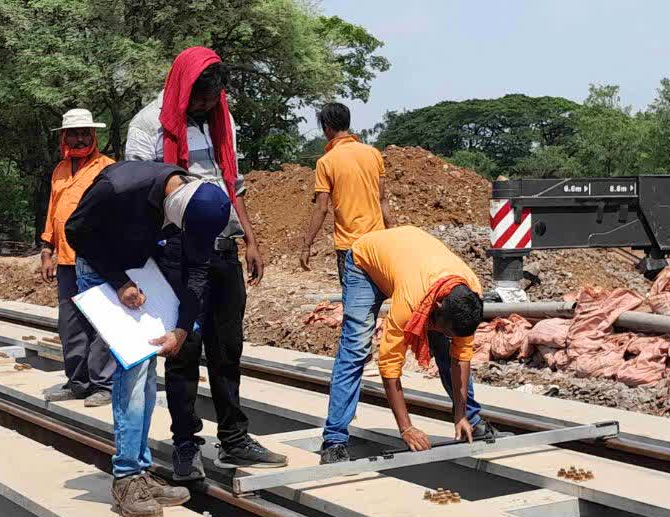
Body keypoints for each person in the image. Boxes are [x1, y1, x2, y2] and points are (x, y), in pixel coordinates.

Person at [125, 46, 285, 478]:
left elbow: (233, 184)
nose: (206, 107)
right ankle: (185, 443)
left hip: (222, 248)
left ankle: (233, 438)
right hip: (175, 252)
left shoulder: (222, 120)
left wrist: (249, 238)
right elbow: (138, 191)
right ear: (183, 88)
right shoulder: (148, 124)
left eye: (213, 99)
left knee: (227, 347)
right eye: (199, 100)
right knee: (184, 350)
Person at [65, 160, 235, 517]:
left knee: (149, 362)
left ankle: (139, 470)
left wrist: (182, 329)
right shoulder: (118, 187)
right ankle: (126, 477)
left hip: (142, 267)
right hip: (100, 266)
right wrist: (119, 282)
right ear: (172, 208)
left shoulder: (197, 209)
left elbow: (197, 274)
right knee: (135, 366)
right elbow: (76, 232)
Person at [319, 226, 498, 464]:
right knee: (355, 348)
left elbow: (461, 358)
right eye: (441, 327)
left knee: (445, 347)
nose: (440, 332)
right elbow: (389, 366)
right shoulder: (410, 302)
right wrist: (406, 428)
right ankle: (334, 441)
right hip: (365, 263)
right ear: (437, 308)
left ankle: (471, 421)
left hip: (408, 260)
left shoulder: (469, 297)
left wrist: (461, 413)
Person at [39, 109, 117, 407]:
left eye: (86, 132)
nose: (81, 138)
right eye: (74, 133)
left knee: (101, 321)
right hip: (67, 261)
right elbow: (53, 211)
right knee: (71, 324)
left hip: (97, 258)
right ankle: (78, 382)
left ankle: (104, 385)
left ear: (94, 135)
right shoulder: (59, 170)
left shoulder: (107, 168)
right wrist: (47, 249)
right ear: (65, 137)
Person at [299, 101, 392, 274]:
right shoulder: (373, 154)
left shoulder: (326, 162)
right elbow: (382, 198)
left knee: (352, 297)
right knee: (377, 293)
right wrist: (392, 234)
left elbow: (321, 208)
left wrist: (306, 246)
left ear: (327, 127)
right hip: (377, 241)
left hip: (349, 245)